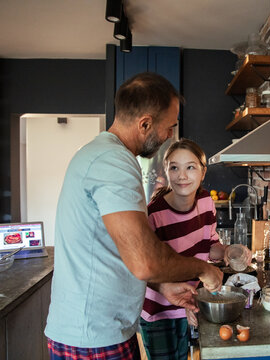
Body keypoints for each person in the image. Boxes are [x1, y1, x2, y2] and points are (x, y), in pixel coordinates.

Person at [44, 72, 223, 360]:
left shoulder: (102, 155)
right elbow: (144, 260)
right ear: (145, 124)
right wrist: (202, 270)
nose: (168, 137)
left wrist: (162, 284)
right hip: (94, 336)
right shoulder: (113, 163)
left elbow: (119, 248)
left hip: (99, 331)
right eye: (169, 127)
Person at [139, 139, 225, 359]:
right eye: (174, 167)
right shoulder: (154, 214)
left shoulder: (206, 201)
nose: (182, 176)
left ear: (203, 172)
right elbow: (143, 269)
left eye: (190, 167)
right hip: (158, 311)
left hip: (191, 303)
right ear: (166, 171)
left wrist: (228, 252)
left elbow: (210, 245)